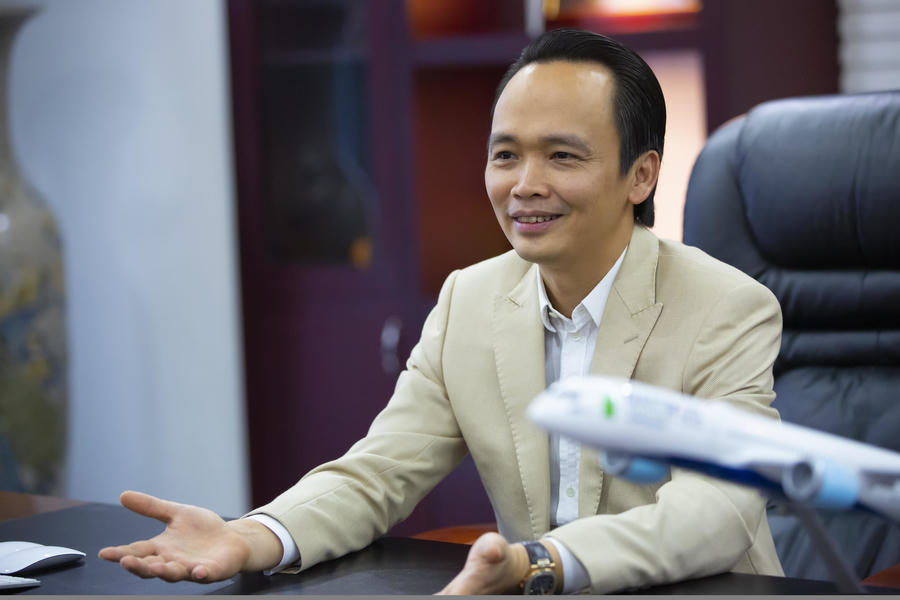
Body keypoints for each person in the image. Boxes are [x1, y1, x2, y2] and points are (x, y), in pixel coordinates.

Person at [99, 29, 784, 594]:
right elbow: (380, 472)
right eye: (506, 155)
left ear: (641, 175)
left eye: (561, 156)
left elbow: (715, 513)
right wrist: (252, 536)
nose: (525, 185)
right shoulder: (469, 301)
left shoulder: (726, 308)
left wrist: (541, 562)